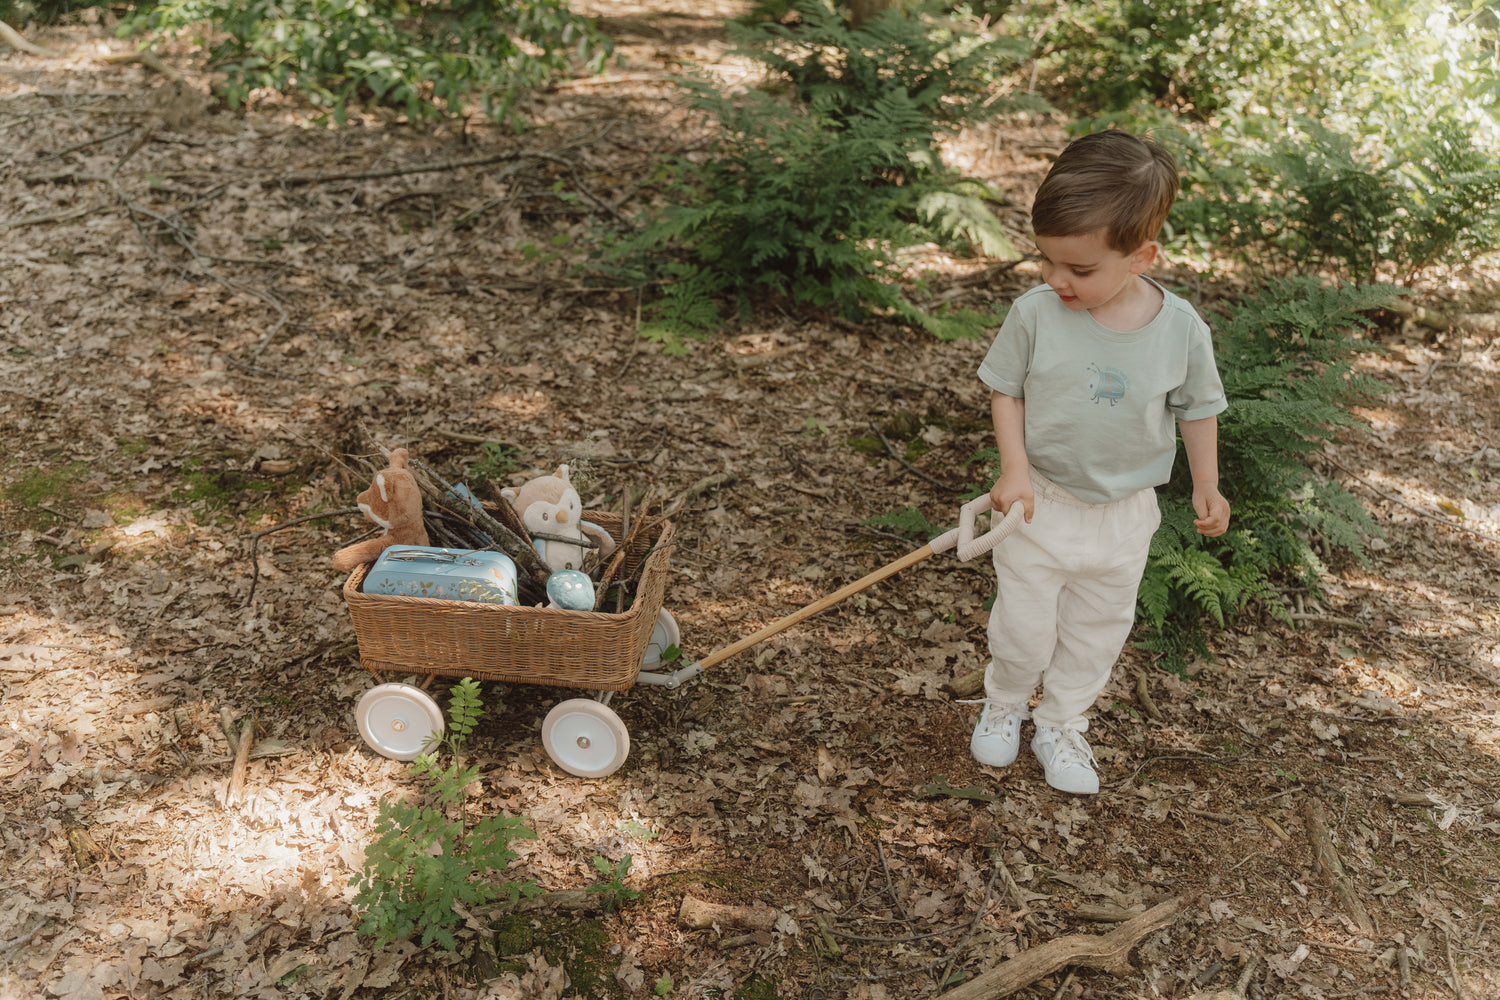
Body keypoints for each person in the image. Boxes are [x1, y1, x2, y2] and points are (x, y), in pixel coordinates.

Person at [969, 129, 1230, 795]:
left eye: (1080, 270)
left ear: (1141, 257)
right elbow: (1007, 391)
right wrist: (1015, 470)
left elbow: (1198, 407)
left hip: (1124, 517)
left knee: (1095, 636)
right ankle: (1004, 701)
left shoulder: (1181, 330)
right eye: (1047, 262)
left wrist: (1207, 483)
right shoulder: (1035, 314)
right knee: (1023, 629)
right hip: (1041, 504)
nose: (1058, 280)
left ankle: (1061, 722)